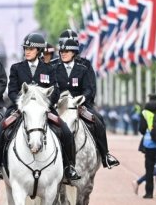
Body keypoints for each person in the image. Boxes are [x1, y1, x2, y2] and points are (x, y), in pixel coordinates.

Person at [0, 32, 81, 184]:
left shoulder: (49, 69)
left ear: (38, 51)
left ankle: (69, 167)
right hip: (20, 109)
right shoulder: (16, 68)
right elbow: (12, 91)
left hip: (44, 110)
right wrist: (21, 105)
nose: (27, 51)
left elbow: (55, 92)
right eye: (25, 48)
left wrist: (45, 105)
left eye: (31, 49)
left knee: (65, 132)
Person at [51, 29, 120, 168]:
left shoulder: (85, 65)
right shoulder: (53, 65)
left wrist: (82, 98)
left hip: (81, 104)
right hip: (59, 105)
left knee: (98, 120)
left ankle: (105, 155)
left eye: (69, 47)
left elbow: (90, 88)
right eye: (63, 48)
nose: (64, 51)